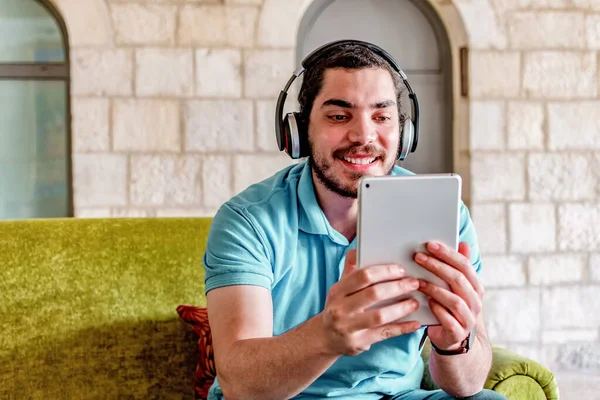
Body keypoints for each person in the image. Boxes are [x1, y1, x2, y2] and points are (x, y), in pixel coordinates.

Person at [203, 40, 506, 400]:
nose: (364, 136)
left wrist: (454, 343)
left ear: (404, 134)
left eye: (381, 116)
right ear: (298, 132)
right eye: (338, 115)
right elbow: (241, 384)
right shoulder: (247, 221)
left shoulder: (445, 213)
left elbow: (467, 384)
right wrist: (327, 335)